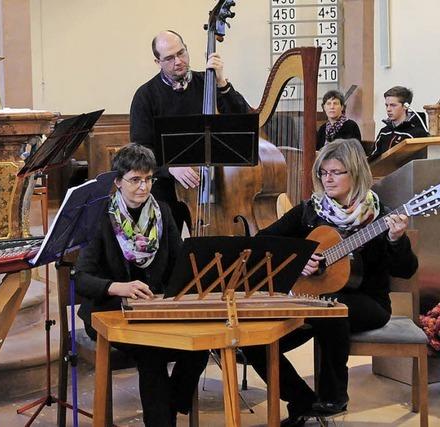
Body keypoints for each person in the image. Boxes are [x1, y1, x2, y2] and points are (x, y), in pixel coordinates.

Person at [242, 139, 418, 427]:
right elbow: (262, 243)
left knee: (331, 309)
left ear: (356, 173)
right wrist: (299, 260)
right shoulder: (310, 211)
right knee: (253, 338)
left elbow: (407, 269)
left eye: (336, 172)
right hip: (307, 300)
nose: (328, 179)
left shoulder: (380, 216)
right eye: (323, 173)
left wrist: (396, 240)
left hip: (367, 301)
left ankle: (334, 397)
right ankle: (300, 398)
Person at [75, 143, 208, 427]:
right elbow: (82, 277)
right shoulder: (102, 216)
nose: (143, 187)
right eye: (135, 180)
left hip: (154, 308)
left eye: (148, 179)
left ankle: (171, 407)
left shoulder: (162, 211)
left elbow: (179, 263)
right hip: (110, 310)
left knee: (202, 345)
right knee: (151, 353)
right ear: (118, 182)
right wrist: (118, 287)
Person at [129, 30, 250, 232]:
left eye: (181, 53)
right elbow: (141, 150)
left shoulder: (208, 82)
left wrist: (222, 83)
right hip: (166, 187)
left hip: (213, 182)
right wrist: (170, 168)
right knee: (167, 243)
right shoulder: (145, 95)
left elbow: (241, 119)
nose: (178, 61)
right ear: (157, 62)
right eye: (169, 58)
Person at [370, 86, 429, 159]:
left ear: (405, 106)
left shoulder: (416, 133)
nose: (388, 109)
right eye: (386, 105)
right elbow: (373, 159)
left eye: (393, 105)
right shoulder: (384, 132)